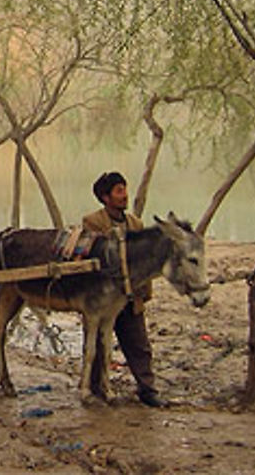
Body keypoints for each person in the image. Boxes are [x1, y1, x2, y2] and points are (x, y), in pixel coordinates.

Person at [82, 171, 166, 408]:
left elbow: (144, 262)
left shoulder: (135, 224)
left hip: (131, 296)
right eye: (118, 191)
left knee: (139, 344)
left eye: (124, 189)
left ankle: (147, 389)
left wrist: (144, 293)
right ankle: (96, 387)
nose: (124, 195)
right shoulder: (92, 222)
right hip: (104, 298)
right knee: (97, 344)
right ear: (105, 197)